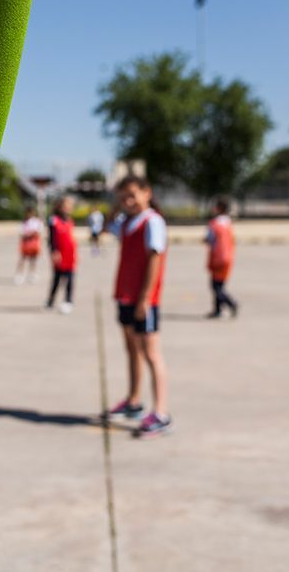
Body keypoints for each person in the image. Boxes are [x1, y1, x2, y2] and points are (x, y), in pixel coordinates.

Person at [103, 175, 172, 438]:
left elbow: (154, 260)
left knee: (151, 353)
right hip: (125, 296)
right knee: (131, 349)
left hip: (144, 300)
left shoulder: (153, 222)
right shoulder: (128, 221)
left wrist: (145, 298)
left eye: (132, 195)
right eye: (122, 198)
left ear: (147, 192)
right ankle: (133, 401)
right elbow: (108, 227)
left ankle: (161, 413)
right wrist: (116, 207)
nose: (128, 201)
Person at [205, 199, 238, 318]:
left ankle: (231, 303)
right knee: (220, 284)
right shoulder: (228, 223)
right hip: (228, 257)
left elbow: (209, 239)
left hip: (217, 258)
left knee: (215, 286)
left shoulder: (214, 224)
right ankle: (217, 310)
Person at [46, 195, 77, 314]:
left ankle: (68, 301)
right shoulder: (54, 220)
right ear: (60, 206)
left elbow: (71, 238)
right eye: (67, 205)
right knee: (57, 278)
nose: (69, 208)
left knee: (70, 279)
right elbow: (52, 238)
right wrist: (54, 251)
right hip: (60, 254)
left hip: (70, 254)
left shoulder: (69, 220)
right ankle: (50, 300)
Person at [15, 206, 42, 284]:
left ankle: (32, 274)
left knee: (33, 260)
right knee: (22, 259)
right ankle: (19, 275)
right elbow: (21, 233)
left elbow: (39, 231)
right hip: (26, 243)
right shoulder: (23, 222)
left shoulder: (36, 221)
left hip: (33, 243)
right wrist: (29, 234)